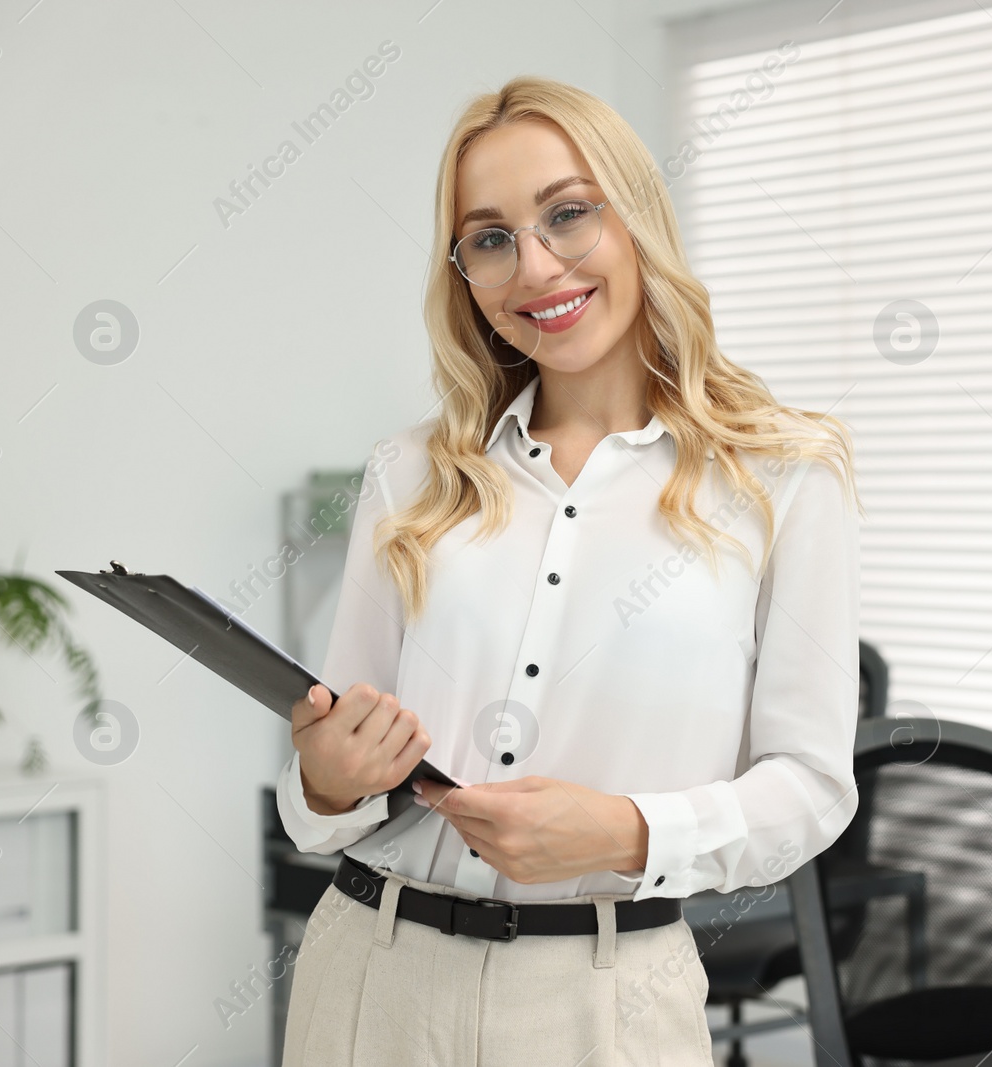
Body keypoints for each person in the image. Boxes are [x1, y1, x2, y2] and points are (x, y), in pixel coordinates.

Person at [275, 74, 864, 1066]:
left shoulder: (784, 475)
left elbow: (811, 788)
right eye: (491, 238)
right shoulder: (412, 473)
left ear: (635, 215)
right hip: (369, 980)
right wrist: (329, 782)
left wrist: (626, 831)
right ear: (462, 270)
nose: (534, 266)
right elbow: (325, 780)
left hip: (606, 1004)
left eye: (568, 214)